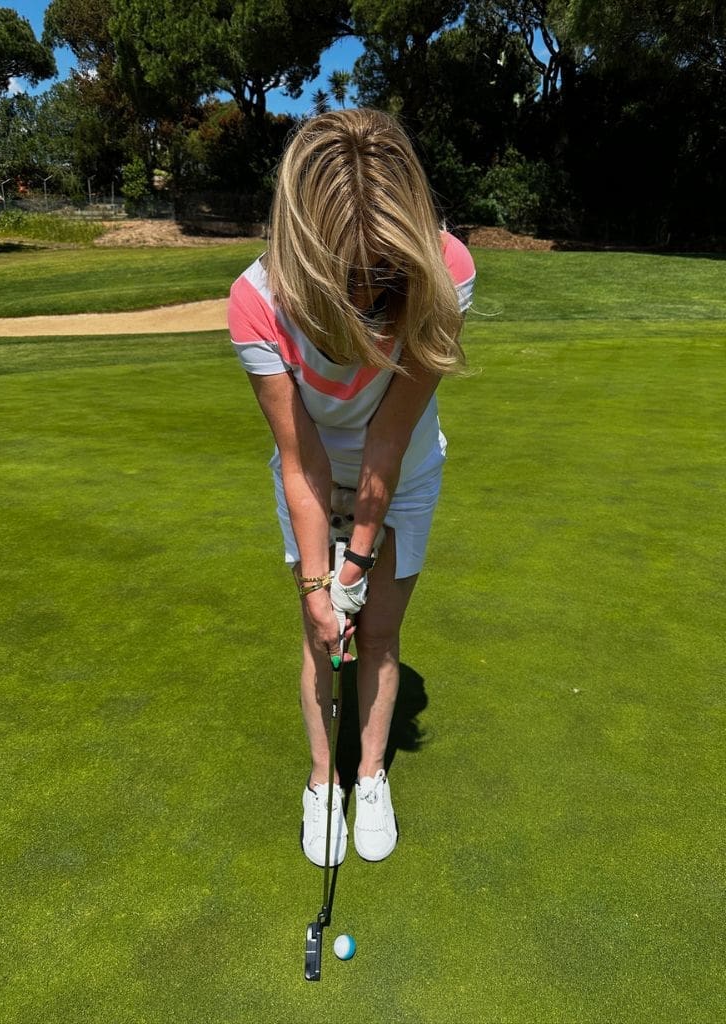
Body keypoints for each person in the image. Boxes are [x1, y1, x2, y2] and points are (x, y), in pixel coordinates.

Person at [228, 108, 475, 867]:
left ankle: (368, 777)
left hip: (400, 471)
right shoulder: (257, 300)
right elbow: (301, 466)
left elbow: (388, 437)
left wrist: (357, 566)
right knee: (319, 631)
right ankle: (321, 780)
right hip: (310, 466)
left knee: (378, 631)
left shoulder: (446, 271)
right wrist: (317, 582)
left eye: (385, 275)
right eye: (351, 278)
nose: (371, 299)